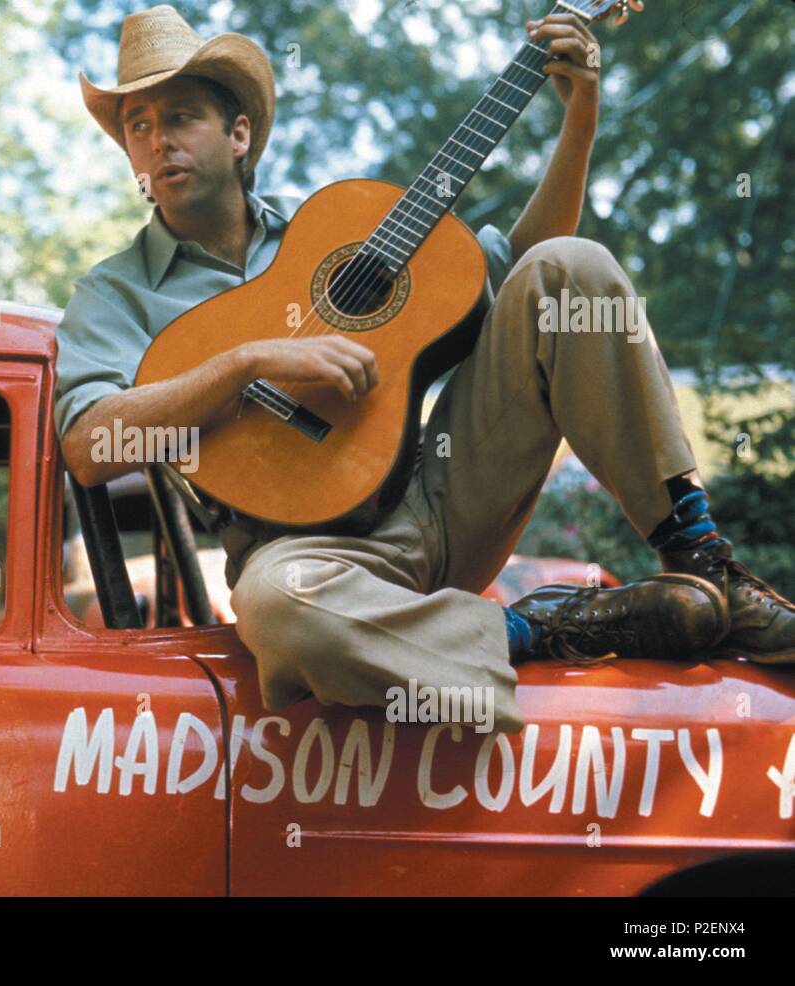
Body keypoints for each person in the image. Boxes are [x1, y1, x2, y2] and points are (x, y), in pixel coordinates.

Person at [54, 5, 795, 733]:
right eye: (138, 126)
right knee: (275, 611)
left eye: (180, 117)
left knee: (572, 268)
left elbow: (519, 277)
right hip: (313, 565)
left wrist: (580, 123)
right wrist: (250, 360)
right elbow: (88, 448)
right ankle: (546, 629)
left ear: (239, 132)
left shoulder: (337, 229)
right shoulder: (116, 293)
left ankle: (704, 565)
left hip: (443, 497)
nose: (158, 143)